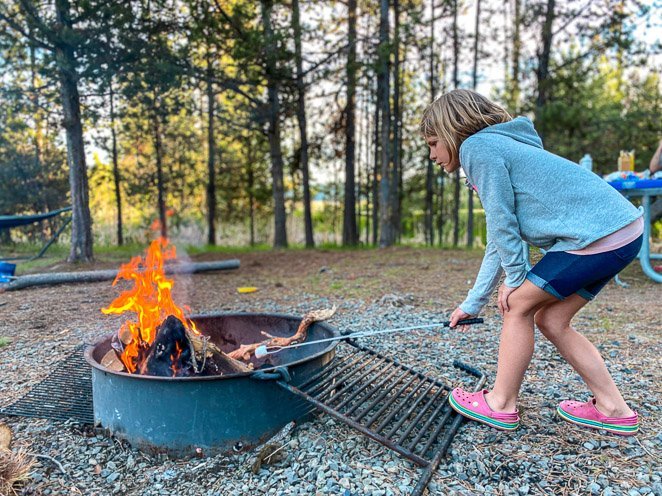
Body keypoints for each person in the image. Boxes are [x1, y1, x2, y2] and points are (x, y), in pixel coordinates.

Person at [420, 89, 642, 436]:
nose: (432, 154)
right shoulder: (503, 146)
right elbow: (499, 234)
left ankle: (500, 403)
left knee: (518, 304)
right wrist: (473, 302)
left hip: (597, 234)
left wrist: (515, 278)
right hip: (623, 232)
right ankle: (614, 408)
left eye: (433, 142)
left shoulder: (476, 148)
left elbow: (502, 224)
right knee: (552, 318)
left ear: (453, 129)